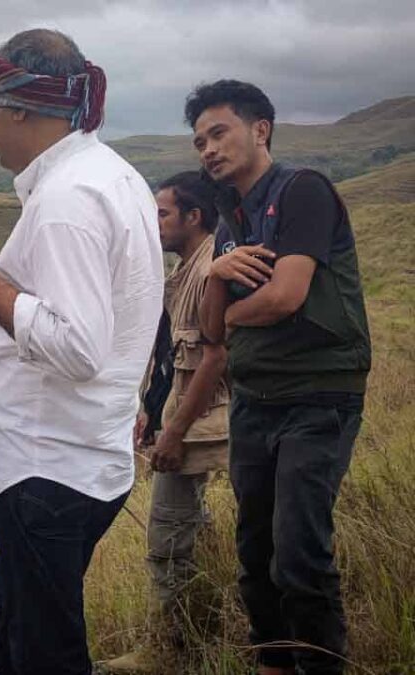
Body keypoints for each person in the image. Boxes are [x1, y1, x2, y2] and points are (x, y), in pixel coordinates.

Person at [0, 28, 164, 675]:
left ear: (23, 109)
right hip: (78, 457)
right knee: (20, 620)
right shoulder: (114, 178)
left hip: (47, 466)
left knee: (47, 651)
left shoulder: (67, 201)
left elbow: (79, 345)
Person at [190, 80, 371, 675]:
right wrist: (217, 275)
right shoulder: (229, 222)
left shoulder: (303, 191)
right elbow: (213, 332)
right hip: (255, 399)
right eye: (199, 142)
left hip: (318, 396)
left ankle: (321, 665)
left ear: (260, 129)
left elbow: (287, 296)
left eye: (219, 133)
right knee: (255, 548)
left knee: (298, 553)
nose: (208, 149)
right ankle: (272, 662)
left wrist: (234, 313)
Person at [104, 172, 231, 674]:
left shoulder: (209, 270)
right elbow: (169, 358)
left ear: (193, 217)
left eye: (162, 213)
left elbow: (213, 360)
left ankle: (170, 651)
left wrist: (173, 432)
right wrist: (150, 412)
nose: (152, 223)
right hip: (183, 418)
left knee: (168, 541)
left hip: (200, 426)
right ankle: (201, 635)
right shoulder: (185, 269)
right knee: (193, 531)